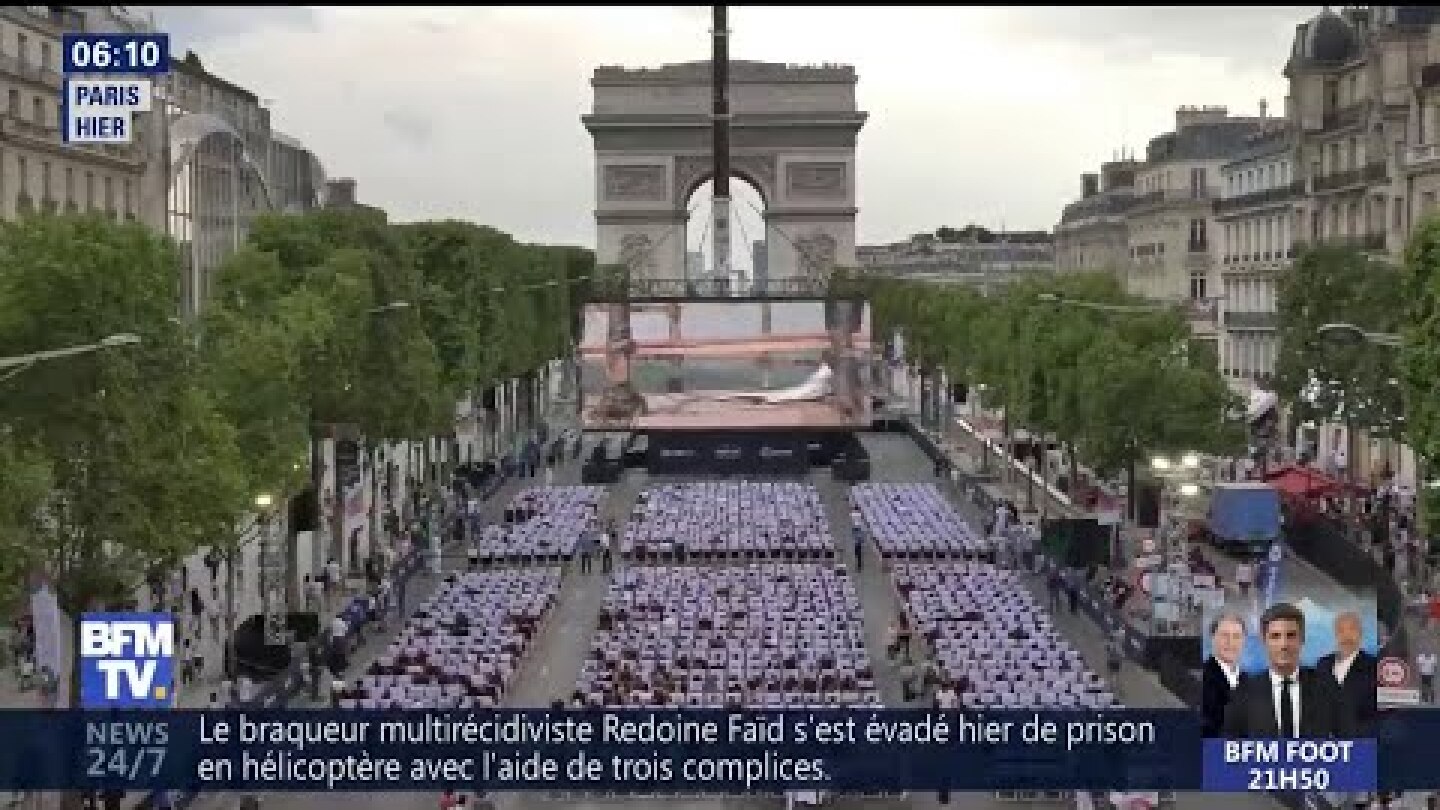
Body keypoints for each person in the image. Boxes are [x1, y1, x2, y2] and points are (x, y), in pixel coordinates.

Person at [1222, 602, 1340, 737]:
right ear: (1263, 640)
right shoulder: (1242, 693)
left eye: (1291, 635)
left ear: (1302, 639)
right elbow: (1228, 750)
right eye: (1275, 636)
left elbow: (1351, 743)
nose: (1283, 645)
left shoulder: (1327, 686)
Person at [1316, 610, 1378, 737]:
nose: (1347, 636)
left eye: (1352, 630)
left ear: (1361, 634)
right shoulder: (1323, 664)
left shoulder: (1374, 666)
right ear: (1335, 634)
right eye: (1341, 631)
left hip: (1362, 742)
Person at [1201, 612, 1246, 737]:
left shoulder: (1248, 680)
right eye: (1225, 635)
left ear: (1244, 640)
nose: (1231, 642)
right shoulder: (1203, 679)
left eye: (1236, 636)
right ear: (1212, 638)